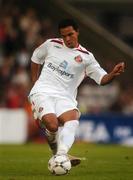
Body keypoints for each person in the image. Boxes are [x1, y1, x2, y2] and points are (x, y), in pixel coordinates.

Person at [28, 18, 125, 166]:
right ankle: (57, 151)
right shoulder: (51, 44)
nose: (67, 38)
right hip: (43, 91)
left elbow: (102, 79)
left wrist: (112, 74)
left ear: (77, 32)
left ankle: (61, 155)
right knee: (52, 125)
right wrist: (35, 82)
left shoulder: (86, 57)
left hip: (65, 97)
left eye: (70, 34)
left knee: (72, 120)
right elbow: (36, 57)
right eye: (64, 35)